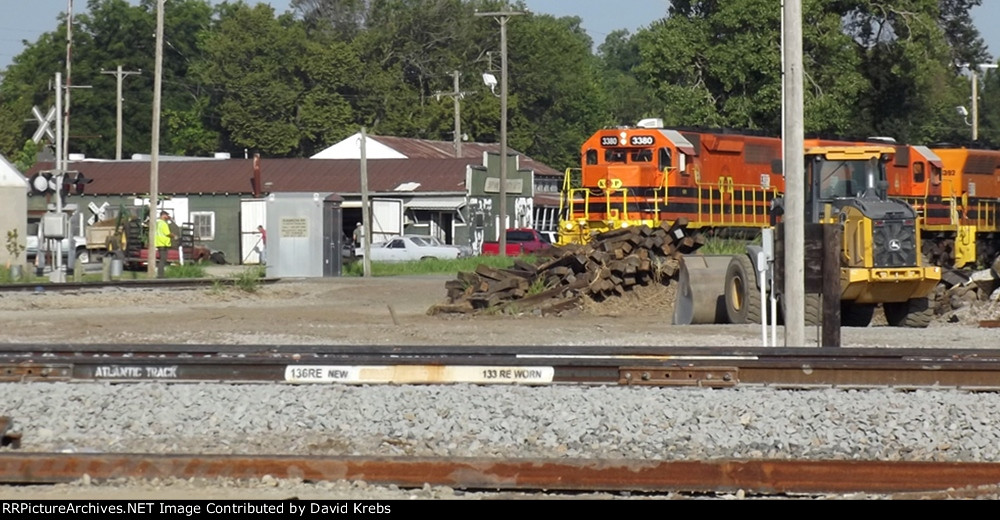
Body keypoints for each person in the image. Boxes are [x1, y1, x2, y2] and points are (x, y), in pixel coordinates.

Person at [155, 211, 175, 278]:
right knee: (163, 260)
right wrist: (174, 236)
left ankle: (160, 274)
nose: (167, 217)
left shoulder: (158, 223)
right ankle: (160, 275)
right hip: (163, 243)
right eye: (166, 215)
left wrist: (170, 220)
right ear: (163, 215)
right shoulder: (164, 224)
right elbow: (167, 233)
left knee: (162, 259)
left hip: (159, 243)